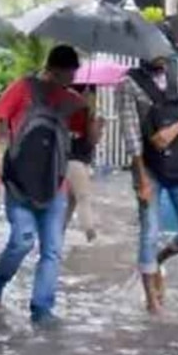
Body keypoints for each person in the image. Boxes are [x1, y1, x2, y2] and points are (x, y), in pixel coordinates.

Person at [0, 45, 88, 325]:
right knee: (22, 240)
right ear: (54, 69)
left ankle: (41, 309)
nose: (71, 78)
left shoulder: (72, 100)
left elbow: (83, 143)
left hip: (55, 185)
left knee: (52, 249)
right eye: (69, 73)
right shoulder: (23, 88)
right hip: (20, 183)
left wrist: (90, 116)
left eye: (74, 74)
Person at [122, 45, 178, 314]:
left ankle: (158, 260)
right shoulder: (128, 83)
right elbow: (132, 136)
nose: (158, 55)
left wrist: (172, 131)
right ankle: (152, 301)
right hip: (150, 167)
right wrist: (141, 179)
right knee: (149, 232)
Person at [64, 84, 101, 243]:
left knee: (71, 201)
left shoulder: (64, 108)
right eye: (93, 93)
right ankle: (90, 232)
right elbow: (93, 140)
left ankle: (56, 235)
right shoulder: (83, 111)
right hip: (75, 161)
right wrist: (96, 124)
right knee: (83, 196)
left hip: (69, 160)